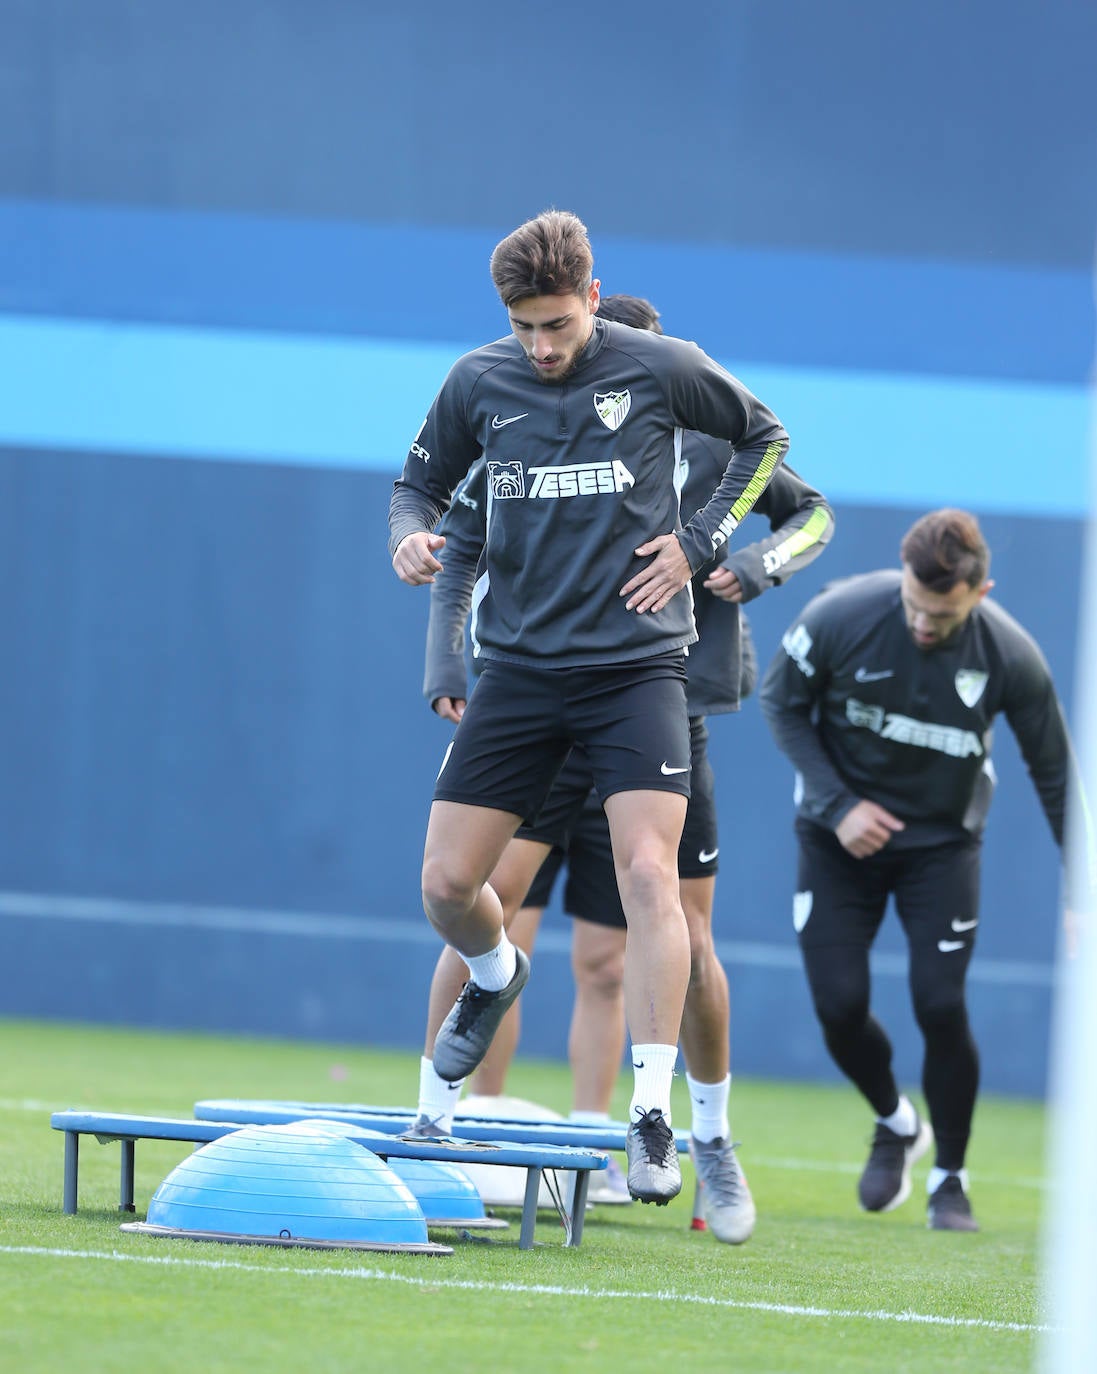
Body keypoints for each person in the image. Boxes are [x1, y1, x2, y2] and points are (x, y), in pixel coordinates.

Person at [389, 210, 790, 1206]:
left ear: (593, 299)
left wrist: (700, 542)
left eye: (558, 324)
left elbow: (764, 439)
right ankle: (493, 979)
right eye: (525, 327)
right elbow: (418, 488)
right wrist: (409, 537)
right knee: (446, 886)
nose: (541, 345)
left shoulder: (659, 366)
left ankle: (649, 1115)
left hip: (634, 675)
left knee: (648, 875)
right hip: (520, 675)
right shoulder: (478, 381)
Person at [757, 508, 1086, 1232]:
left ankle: (950, 1179)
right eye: (913, 604)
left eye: (939, 613)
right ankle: (896, 1121)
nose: (921, 623)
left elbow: (1057, 777)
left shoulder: (1010, 657)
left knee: (939, 1003)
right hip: (836, 840)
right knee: (838, 1007)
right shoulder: (840, 613)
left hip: (941, 847)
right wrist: (839, 804)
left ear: (980, 592)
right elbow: (780, 703)